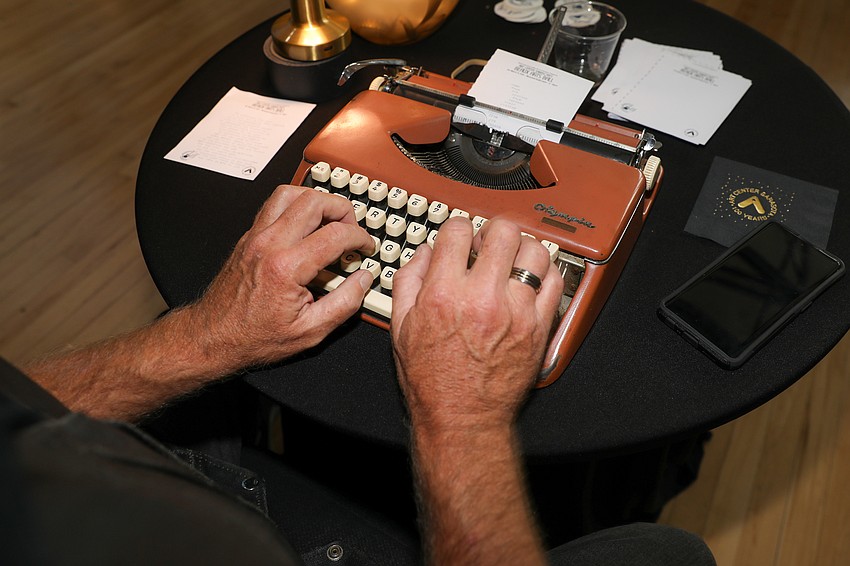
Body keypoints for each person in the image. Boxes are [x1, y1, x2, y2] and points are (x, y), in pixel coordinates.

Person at [1, 185, 715, 565]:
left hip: (126, 488)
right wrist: (460, 413)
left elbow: (14, 404)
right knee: (667, 554)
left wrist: (205, 335)